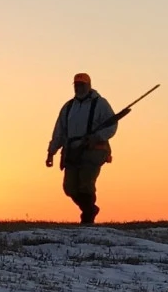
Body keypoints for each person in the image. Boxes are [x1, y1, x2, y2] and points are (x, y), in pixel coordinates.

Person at [45, 73, 118, 225]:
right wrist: (51, 152)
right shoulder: (68, 107)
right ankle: (90, 209)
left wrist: (97, 137)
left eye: (82, 85)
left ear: (89, 85)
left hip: (94, 150)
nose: (79, 87)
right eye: (76, 85)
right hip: (72, 150)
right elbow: (59, 131)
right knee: (69, 188)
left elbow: (112, 125)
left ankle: (87, 218)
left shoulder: (101, 104)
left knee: (86, 183)